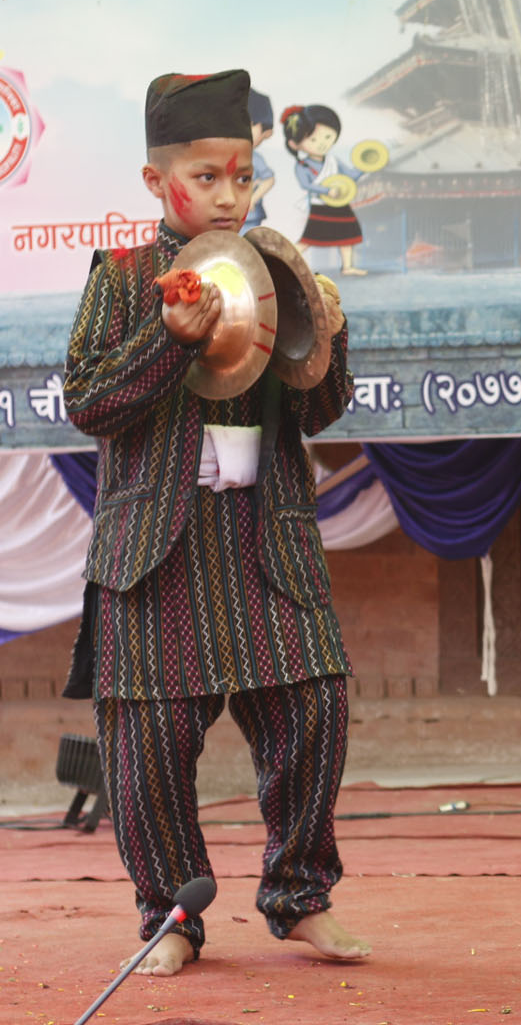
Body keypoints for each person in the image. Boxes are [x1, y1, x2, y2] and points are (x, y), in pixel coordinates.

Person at [61, 70, 369, 978]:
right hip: (158, 546)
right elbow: (87, 402)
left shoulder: (276, 273)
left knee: (314, 709)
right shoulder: (121, 281)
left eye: (244, 177)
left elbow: (320, 412)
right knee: (147, 745)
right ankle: (171, 917)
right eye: (207, 178)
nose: (229, 195)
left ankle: (300, 898)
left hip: (264, 539)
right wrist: (171, 338)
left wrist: (331, 334)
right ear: (160, 184)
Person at [282, 103, 367, 276]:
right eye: (313, 140)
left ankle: (347, 266)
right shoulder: (303, 165)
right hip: (321, 205)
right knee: (309, 239)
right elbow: (306, 185)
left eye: (327, 137)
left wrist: (364, 166)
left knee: (347, 235)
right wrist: (326, 191)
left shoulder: (333, 161)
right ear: (294, 144)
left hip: (340, 203)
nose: (321, 144)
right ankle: (285, 260)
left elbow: (350, 175)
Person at [241, 88, 277, 233]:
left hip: (249, 216)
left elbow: (269, 180)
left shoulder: (255, 159)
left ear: (266, 133)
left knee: (247, 247)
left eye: (247, 125)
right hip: (224, 215)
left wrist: (253, 199)